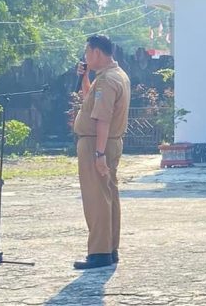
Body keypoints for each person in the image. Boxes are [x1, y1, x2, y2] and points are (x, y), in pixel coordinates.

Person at [72, 35, 131, 270]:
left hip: (97, 143)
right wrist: (85, 77)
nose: (85, 57)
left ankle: (99, 252)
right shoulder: (116, 75)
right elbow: (92, 102)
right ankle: (110, 248)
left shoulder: (107, 80)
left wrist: (98, 155)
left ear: (96, 52)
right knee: (108, 196)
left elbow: (102, 119)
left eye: (87, 52)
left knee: (96, 198)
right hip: (107, 142)